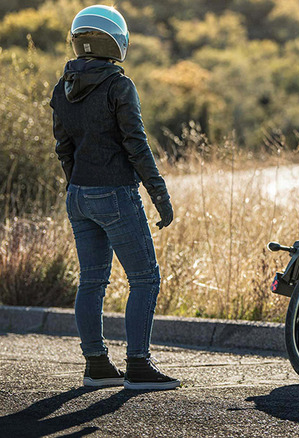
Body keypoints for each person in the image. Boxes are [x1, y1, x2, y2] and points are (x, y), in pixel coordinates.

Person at [50, 5, 179, 390]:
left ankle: (97, 366)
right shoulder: (119, 85)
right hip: (115, 194)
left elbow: (63, 148)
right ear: (115, 40)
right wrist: (160, 195)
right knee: (145, 279)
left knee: (91, 282)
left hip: (78, 195)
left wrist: (80, 188)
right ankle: (138, 366)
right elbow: (136, 145)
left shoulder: (63, 86)